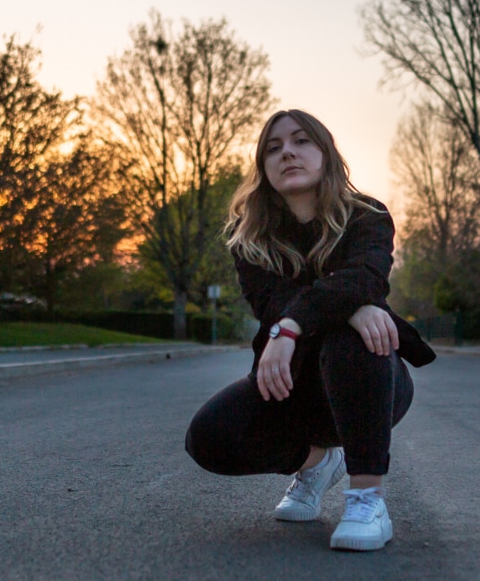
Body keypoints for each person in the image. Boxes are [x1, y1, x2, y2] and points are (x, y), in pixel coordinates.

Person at [184, 109, 435, 551]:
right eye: (274, 148)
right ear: (263, 167)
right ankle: (316, 462)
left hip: (372, 383)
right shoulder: (249, 239)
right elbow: (272, 301)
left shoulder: (367, 217)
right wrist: (341, 306)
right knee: (208, 437)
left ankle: (367, 497)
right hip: (292, 387)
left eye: (301, 141)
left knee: (357, 332)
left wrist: (298, 324)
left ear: (325, 153)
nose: (288, 153)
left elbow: (366, 278)